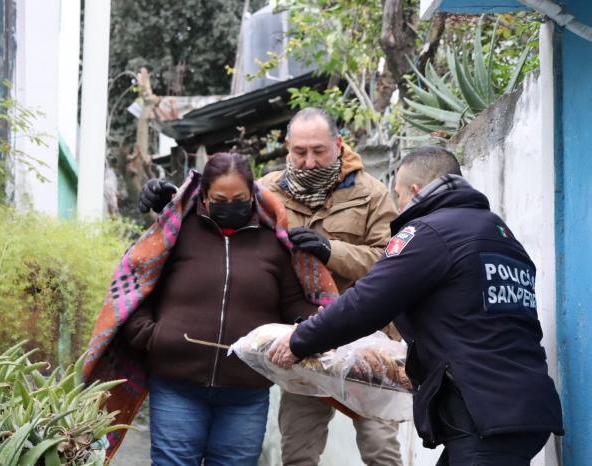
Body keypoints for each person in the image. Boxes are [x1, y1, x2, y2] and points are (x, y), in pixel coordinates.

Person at [139, 107, 403, 466]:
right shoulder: (265, 192)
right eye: (300, 152)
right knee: (297, 453)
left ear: (338, 145)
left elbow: (390, 263)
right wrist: (172, 200)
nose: (309, 161)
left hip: (361, 348)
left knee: (380, 452)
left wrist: (332, 251)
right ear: (287, 149)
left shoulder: (372, 194)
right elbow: (212, 219)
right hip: (304, 349)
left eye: (319, 150)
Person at [269, 146, 564, 466]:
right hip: (520, 407)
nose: (397, 207)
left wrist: (300, 340)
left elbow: (367, 301)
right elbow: (470, 322)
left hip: (482, 414)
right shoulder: (500, 235)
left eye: (398, 196)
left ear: (414, 191)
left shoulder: (430, 232)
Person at [120, 152, 318, 466]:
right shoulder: (177, 233)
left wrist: (320, 324)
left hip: (246, 391)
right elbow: (135, 290)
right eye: (219, 199)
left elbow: (293, 304)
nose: (230, 205)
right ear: (204, 197)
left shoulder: (274, 243)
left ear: (253, 194)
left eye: (239, 198)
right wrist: (155, 337)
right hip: (176, 386)